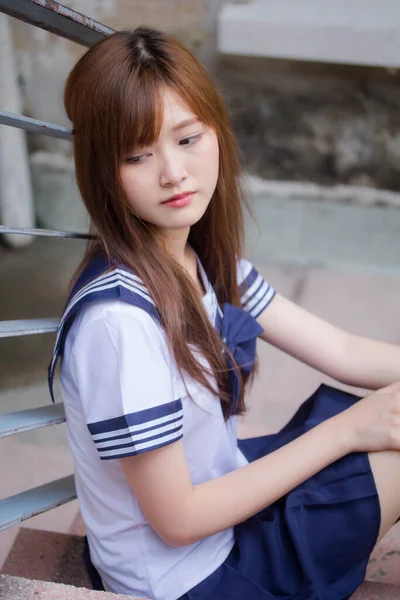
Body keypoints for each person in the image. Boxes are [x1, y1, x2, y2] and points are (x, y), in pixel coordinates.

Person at [49, 27, 400, 600]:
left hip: (223, 501)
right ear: (101, 173)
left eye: (187, 139)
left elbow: (342, 352)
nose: (173, 173)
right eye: (137, 154)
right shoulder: (119, 324)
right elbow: (179, 519)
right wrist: (349, 431)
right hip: (186, 577)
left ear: (217, 130)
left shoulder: (202, 261)